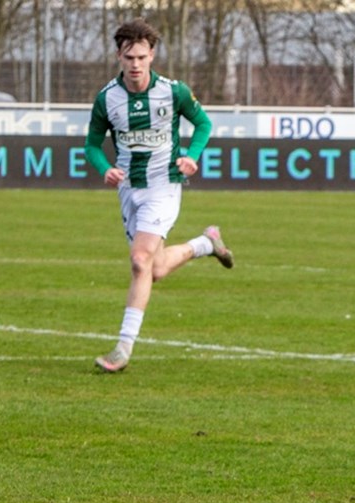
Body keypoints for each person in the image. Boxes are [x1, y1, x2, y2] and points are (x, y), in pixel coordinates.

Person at [84, 18, 235, 373]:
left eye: (141, 57)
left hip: (163, 184)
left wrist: (192, 156)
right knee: (156, 268)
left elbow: (203, 124)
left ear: (152, 55)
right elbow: (91, 144)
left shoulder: (173, 91)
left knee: (140, 260)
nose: (135, 65)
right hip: (129, 189)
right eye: (129, 58)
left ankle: (122, 348)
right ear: (118, 57)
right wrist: (104, 167)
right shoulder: (107, 98)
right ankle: (206, 243)